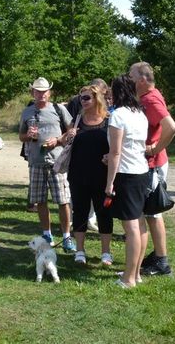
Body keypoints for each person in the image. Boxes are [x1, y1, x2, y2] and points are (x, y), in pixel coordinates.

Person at [128, 62, 175, 277]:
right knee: (151, 212)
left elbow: (171, 126)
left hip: (152, 165)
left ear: (141, 79)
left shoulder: (150, 99)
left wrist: (154, 149)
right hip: (151, 163)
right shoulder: (149, 96)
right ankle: (159, 258)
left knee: (151, 212)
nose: (127, 79)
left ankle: (161, 260)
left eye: (130, 76)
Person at [18, 77, 77, 252]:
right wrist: (28, 135)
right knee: (40, 200)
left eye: (44, 91)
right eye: (38, 91)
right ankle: (47, 234)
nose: (41, 94)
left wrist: (58, 141)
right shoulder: (27, 112)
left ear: (49, 92)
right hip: (36, 162)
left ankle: (67, 237)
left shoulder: (59, 110)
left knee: (63, 200)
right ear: (33, 93)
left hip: (57, 162)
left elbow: (72, 131)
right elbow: (21, 137)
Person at [105, 75, 149, 288]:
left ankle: (129, 278)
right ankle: (136, 272)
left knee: (130, 228)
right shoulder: (140, 113)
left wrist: (109, 183)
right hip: (141, 172)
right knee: (140, 224)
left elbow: (115, 152)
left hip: (126, 174)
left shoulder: (118, 115)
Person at [67, 85, 113, 266]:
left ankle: (106, 252)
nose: (82, 101)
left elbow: (117, 147)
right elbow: (65, 142)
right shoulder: (77, 119)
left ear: (96, 99)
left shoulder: (109, 120)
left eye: (86, 98)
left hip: (102, 175)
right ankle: (80, 250)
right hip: (78, 174)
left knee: (104, 213)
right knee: (80, 211)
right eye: (81, 98)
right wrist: (67, 136)